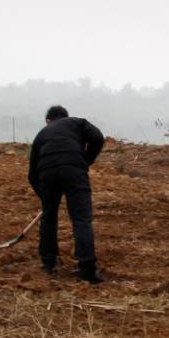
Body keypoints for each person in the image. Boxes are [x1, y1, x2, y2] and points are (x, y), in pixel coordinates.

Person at [28, 105, 105, 283]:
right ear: (66, 117)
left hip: (47, 172)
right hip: (74, 170)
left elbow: (32, 175)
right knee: (81, 219)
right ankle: (87, 268)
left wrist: (46, 199)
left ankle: (48, 263)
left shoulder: (42, 134)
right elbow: (97, 137)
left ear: (48, 121)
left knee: (48, 217)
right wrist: (86, 160)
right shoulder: (77, 123)